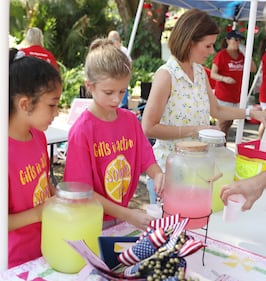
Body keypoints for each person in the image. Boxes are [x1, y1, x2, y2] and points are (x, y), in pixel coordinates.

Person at [141, 9, 266, 204]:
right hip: (169, 173)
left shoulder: (199, 72)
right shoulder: (166, 75)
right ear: (190, 43)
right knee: (172, 232)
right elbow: (148, 127)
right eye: (208, 45)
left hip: (198, 172)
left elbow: (217, 110)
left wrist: (252, 112)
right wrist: (197, 130)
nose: (212, 51)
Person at [63, 38, 164, 231]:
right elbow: (82, 192)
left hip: (121, 215)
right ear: (89, 86)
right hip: (91, 220)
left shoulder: (129, 121)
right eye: (108, 92)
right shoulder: (83, 131)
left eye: (122, 91)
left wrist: (157, 173)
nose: (116, 99)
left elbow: (145, 157)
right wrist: (127, 214)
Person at [8, 48, 62, 268]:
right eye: (52, 104)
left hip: (44, 249)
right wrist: (39, 213)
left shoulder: (39, 136)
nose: (57, 112)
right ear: (24, 104)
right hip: (14, 262)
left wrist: (60, 197)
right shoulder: (5, 153)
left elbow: (44, 181)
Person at [20, 27, 61, 164]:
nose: (57, 113)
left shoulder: (22, 55)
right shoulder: (48, 55)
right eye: (52, 106)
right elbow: (57, 78)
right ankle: (54, 155)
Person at [211, 29, 257, 140]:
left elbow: (253, 69)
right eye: (235, 40)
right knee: (222, 124)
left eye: (239, 40)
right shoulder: (221, 55)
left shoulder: (242, 56)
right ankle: (217, 146)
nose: (237, 43)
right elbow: (213, 74)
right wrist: (224, 78)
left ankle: (222, 146)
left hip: (237, 96)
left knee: (228, 124)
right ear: (227, 40)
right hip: (224, 96)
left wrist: (247, 55)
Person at [108, 30, 132, 109]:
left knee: (122, 101)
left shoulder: (124, 51)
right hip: (110, 80)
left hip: (122, 79)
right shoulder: (107, 51)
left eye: (115, 40)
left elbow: (129, 64)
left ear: (119, 41)